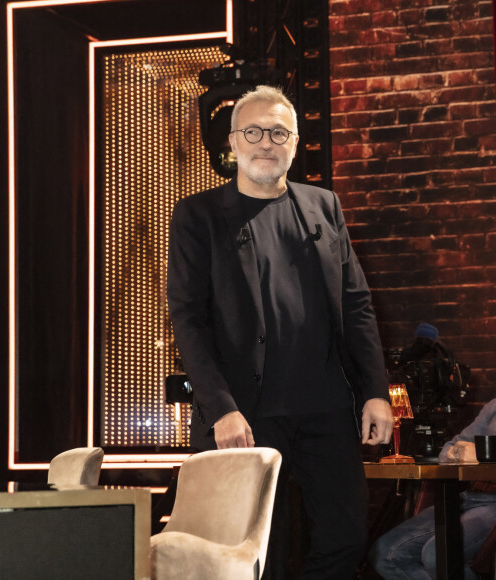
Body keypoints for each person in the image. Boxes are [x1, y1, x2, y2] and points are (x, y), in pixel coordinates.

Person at [166, 85, 393, 579]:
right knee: (263, 550)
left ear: (294, 143)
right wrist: (220, 407)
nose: (265, 142)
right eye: (253, 131)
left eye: (278, 132)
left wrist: (375, 392)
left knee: (347, 536)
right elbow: (188, 318)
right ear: (233, 141)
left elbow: (356, 304)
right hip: (246, 413)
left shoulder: (324, 206)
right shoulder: (198, 216)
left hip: (327, 407)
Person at [369, 308, 496, 580]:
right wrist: (459, 452)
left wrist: (485, 456)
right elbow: (449, 449)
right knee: (385, 553)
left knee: (437, 554)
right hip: (466, 498)